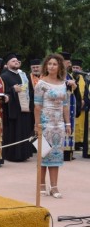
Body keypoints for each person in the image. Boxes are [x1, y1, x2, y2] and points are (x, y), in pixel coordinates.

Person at [34, 53, 70, 198]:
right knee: (43, 155)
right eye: (49, 64)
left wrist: (67, 123)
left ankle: (54, 187)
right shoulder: (41, 84)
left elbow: (65, 105)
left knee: (56, 156)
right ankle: (41, 184)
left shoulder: (63, 83)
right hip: (45, 123)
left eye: (55, 64)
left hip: (59, 125)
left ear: (60, 66)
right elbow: (37, 106)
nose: (51, 66)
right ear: (46, 66)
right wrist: (37, 125)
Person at [0, 53, 34, 162]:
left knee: (24, 131)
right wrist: (13, 89)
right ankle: (12, 155)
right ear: (7, 64)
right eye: (13, 61)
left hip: (24, 108)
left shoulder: (23, 75)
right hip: (12, 109)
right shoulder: (4, 76)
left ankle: (24, 154)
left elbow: (29, 91)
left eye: (17, 61)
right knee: (14, 132)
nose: (16, 62)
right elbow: (2, 92)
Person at [59, 52, 80, 160]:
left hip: (70, 106)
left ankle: (68, 153)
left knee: (69, 127)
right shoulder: (57, 74)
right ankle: (61, 153)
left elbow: (74, 90)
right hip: (60, 106)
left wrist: (74, 86)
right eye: (68, 62)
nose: (70, 64)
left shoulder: (69, 74)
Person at [72, 59, 87, 151]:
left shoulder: (85, 79)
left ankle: (80, 142)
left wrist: (84, 100)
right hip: (72, 105)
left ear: (81, 68)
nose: (75, 69)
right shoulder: (69, 77)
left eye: (77, 68)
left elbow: (87, 91)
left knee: (81, 124)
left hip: (82, 106)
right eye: (74, 67)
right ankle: (73, 143)